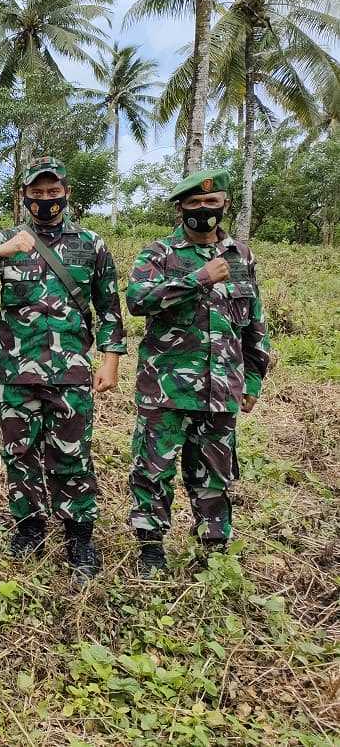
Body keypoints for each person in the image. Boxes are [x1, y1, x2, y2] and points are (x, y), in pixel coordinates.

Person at [0, 156, 126, 580]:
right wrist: (3, 251)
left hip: (71, 372)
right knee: (19, 454)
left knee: (72, 455)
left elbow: (109, 307)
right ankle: (29, 526)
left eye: (53, 193)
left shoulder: (91, 243)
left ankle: (80, 536)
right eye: (37, 194)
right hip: (16, 372)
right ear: (25, 197)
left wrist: (109, 362)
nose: (46, 200)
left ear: (66, 193)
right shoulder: (7, 238)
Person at [125, 168, 270, 576]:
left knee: (215, 474)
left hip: (221, 389)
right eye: (194, 203)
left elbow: (253, 321)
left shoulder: (241, 257)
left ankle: (212, 550)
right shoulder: (159, 254)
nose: (203, 210)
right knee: (153, 469)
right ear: (180, 209)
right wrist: (197, 280)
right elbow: (137, 300)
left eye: (211, 202)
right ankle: (151, 547)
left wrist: (254, 378)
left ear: (224, 204)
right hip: (165, 388)